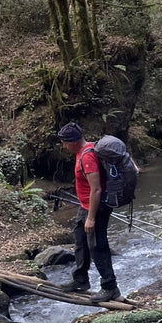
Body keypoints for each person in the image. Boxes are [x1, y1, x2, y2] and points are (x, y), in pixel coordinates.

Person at [56, 122, 121, 302]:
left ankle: (110, 287)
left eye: (65, 143)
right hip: (85, 205)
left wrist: (91, 218)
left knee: (97, 245)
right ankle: (80, 279)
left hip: (96, 207)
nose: (64, 146)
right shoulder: (83, 151)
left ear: (74, 141)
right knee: (80, 239)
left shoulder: (87, 157)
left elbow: (97, 189)